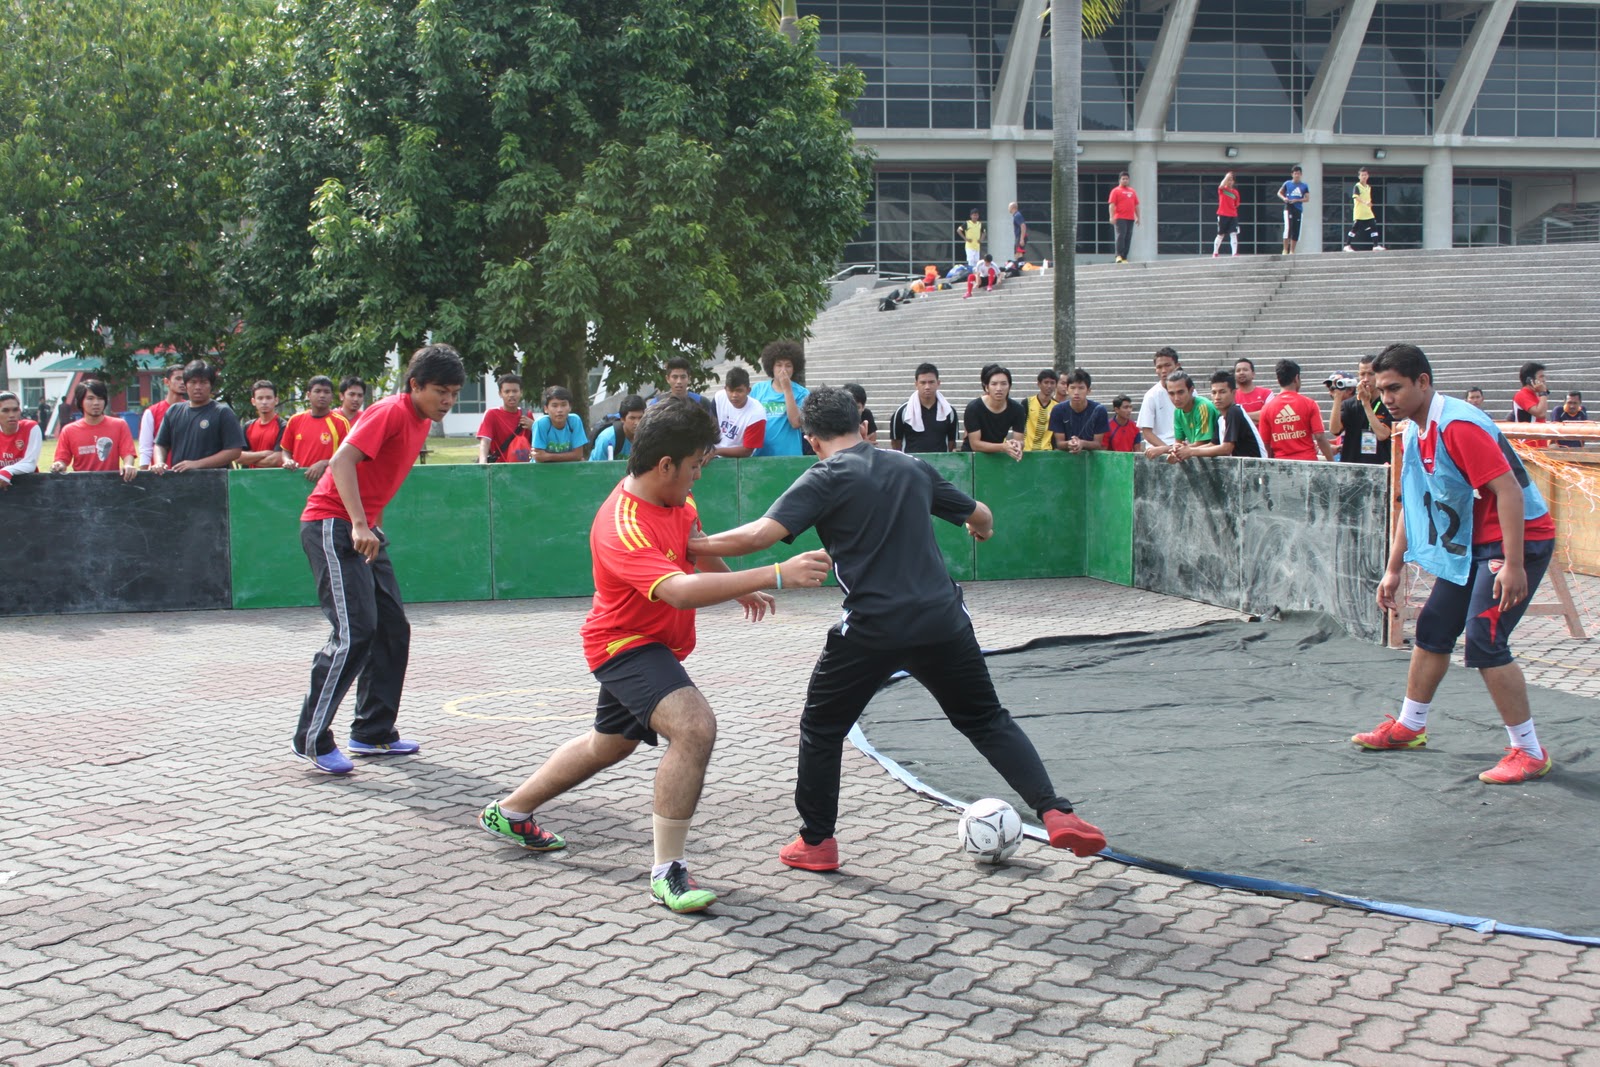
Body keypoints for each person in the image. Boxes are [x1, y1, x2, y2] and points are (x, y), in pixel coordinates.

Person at [689, 387, 1108, 873]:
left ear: (810, 438)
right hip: (943, 621)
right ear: (862, 424)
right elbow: (982, 514)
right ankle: (1056, 811)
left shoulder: (822, 477)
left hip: (873, 628)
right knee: (986, 720)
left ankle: (817, 843)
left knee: (821, 728)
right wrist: (983, 530)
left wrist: (687, 539)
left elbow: (757, 536)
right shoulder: (910, 466)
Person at [480, 399, 831, 913]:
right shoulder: (622, 524)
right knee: (694, 727)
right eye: (694, 467)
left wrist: (735, 589)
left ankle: (509, 811)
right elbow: (681, 592)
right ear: (665, 465)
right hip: (623, 646)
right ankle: (667, 872)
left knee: (609, 744)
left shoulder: (678, 501)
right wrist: (774, 574)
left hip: (653, 642)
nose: (697, 478)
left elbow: (694, 547)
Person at [1360, 343, 1558, 786]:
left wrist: (1512, 563)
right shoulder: (1413, 429)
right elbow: (1415, 504)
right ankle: (1410, 728)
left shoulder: (1458, 425)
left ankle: (1529, 752)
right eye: (1379, 390)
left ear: (1423, 382)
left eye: (1394, 388)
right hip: (1473, 542)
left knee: (1485, 640)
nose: (1386, 399)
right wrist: (1394, 569)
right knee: (1432, 629)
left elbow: (1506, 491)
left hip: (1516, 540)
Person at [293, 344, 466, 776]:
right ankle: (310, 738)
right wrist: (357, 523)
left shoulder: (421, 422)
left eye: (454, 393)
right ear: (415, 385)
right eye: (440, 391)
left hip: (363, 529)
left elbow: (380, 479)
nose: (447, 400)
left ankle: (372, 732)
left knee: (391, 629)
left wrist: (372, 524)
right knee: (354, 633)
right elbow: (342, 460)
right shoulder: (390, 411)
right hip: (332, 525)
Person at [151, 361, 245, 472]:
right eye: (193, 382)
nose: (198, 387)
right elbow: (161, 444)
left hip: (214, 482)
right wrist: (159, 462)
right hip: (179, 481)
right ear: (186, 385)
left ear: (211, 385)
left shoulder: (222, 412)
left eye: (203, 382)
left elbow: (234, 451)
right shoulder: (174, 411)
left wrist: (197, 464)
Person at [51, 380, 137, 478]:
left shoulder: (119, 425)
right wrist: (59, 465)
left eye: (100, 399)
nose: (96, 403)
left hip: (112, 485)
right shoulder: (69, 430)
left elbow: (128, 453)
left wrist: (128, 465)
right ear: (80, 401)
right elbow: (62, 460)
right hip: (81, 487)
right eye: (90, 398)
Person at [1260, 359, 1334, 461]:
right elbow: (1320, 437)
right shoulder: (1309, 404)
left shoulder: (1266, 409)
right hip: (1308, 463)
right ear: (1297, 378)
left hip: (1281, 465)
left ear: (1278, 379)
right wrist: (1331, 462)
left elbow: (1265, 444)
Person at [282, 376, 352, 483]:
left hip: (328, 483)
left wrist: (324, 463)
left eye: (326, 392)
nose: (322, 395)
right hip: (297, 482)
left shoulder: (341, 423)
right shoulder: (295, 420)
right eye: (317, 391)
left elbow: (347, 457)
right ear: (309, 395)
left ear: (332, 396)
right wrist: (288, 461)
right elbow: (286, 451)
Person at [1330, 356, 1394, 465]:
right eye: (1362, 374)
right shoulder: (1349, 404)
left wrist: (1366, 404)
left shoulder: (1389, 402)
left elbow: (1382, 435)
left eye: (1371, 374)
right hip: (1352, 464)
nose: (1365, 379)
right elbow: (1334, 430)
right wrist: (1337, 398)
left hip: (1381, 465)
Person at [751, 341, 810, 457]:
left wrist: (787, 389)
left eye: (788, 365)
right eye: (779, 365)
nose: (783, 370)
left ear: (794, 368)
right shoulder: (758, 389)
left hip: (790, 457)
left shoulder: (802, 393)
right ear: (771, 367)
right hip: (760, 456)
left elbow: (796, 422)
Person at [890, 363, 958, 454]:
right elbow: (896, 443)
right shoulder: (902, 412)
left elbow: (951, 443)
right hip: (911, 465)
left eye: (931, 382)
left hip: (940, 464)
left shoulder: (949, 412)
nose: (927, 387)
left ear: (938, 383)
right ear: (916, 384)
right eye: (923, 383)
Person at [963, 364, 1025, 461]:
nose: (999, 388)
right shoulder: (973, 408)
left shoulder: (1018, 409)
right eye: (994, 384)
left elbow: (1020, 439)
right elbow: (975, 444)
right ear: (986, 387)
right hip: (971, 457)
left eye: (1004, 384)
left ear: (1009, 386)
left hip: (997, 455)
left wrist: (1017, 445)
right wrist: (1003, 447)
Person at [1163, 372, 1222, 464]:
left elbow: (1202, 443)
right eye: (1171, 393)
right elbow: (1178, 443)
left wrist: (1164, 449)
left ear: (1191, 390)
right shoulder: (1178, 411)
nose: (1176, 398)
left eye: (1180, 392)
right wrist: (1175, 449)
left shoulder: (1203, 407)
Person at [1206, 371, 1266, 459]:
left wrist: (1191, 452)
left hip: (1256, 468)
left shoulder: (1234, 411)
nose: (1217, 397)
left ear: (1234, 393)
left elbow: (1226, 448)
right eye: (1214, 393)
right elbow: (1213, 444)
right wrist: (1186, 450)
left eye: (1222, 392)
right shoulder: (1220, 418)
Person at [477, 374, 534, 464]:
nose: (511, 395)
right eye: (507, 391)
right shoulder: (492, 414)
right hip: (499, 468)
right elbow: (485, 442)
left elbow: (536, 442)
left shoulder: (527, 414)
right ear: (500, 393)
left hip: (523, 467)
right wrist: (483, 462)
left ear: (521, 392)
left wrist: (534, 427)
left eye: (515, 391)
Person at [712, 366, 768, 459]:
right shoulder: (719, 398)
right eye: (730, 390)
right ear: (725, 389)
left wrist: (716, 451)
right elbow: (710, 427)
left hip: (742, 460)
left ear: (748, 390)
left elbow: (747, 451)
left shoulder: (757, 414)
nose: (734, 395)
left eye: (739, 391)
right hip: (715, 454)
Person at [138, 365, 186, 467]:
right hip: (162, 472)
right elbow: (146, 448)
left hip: (189, 472)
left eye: (185, 379)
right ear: (166, 382)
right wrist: (144, 474)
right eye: (178, 378)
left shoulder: (192, 409)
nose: (182, 382)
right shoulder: (152, 412)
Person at [1050, 369, 1109, 454]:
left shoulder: (1099, 410)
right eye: (1072, 388)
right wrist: (1069, 444)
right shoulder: (1058, 410)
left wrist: (1082, 443)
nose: (1076, 392)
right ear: (1067, 389)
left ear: (1088, 390)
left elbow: (1098, 444)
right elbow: (1059, 443)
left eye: (1081, 388)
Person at [1137, 348, 1181, 459]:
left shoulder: (1190, 392)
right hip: (1158, 451)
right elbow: (1147, 432)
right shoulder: (1151, 395)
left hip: (1182, 448)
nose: (1164, 370)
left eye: (1167, 365)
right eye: (1159, 367)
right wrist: (1168, 450)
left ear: (1177, 365)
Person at [238, 380, 288, 469]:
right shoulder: (248, 426)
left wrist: (250, 458)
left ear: (276, 400)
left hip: (276, 479)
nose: (264, 402)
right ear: (253, 401)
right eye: (260, 398)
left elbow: (277, 460)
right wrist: (263, 454)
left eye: (268, 398)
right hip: (250, 479)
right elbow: (238, 457)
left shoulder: (284, 426)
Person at [0, 391, 43, 489]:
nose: (12, 415)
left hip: (29, 489)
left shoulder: (31, 427)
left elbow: (30, 464)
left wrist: (7, 471)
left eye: (15, 410)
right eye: (5, 410)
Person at [533, 386, 587, 463]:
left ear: (570, 407)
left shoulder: (574, 421)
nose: (559, 410)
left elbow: (578, 455)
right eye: (554, 406)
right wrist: (571, 456)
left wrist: (548, 456)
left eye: (563, 405)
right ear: (546, 409)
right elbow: (539, 457)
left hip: (568, 470)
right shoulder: (541, 423)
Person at [591, 395, 647, 462]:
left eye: (640, 418)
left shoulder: (648, 438)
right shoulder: (607, 438)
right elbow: (596, 469)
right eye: (632, 418)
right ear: (622, 419)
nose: (637, 423)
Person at [1343, 168, 1384, 252]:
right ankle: (1347, 245)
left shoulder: (1368, 187)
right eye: (1362, 175)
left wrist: (1369, 204)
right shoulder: (1357, 186)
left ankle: (1375, 245)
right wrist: (1365, 202)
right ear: (1359, 177)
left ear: (1368, 176)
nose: (1364, 177)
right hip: (1360, 212)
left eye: (1365, 175)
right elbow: (1356, 196)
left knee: (1373, 226)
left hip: (1368, 212)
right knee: (1355, 228)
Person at [1511, 361, 1550, 449]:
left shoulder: (1536, 396)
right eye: (1541, 377)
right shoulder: (1522, 395)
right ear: (1530, 380)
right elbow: (1540, 413)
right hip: (1527, 445)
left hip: (1539, 444)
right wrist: (1543, 392)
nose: (1544, 380)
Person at [1021, 369, 1058, 453]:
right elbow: (1020, 426)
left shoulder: (1057, 407)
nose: (1049, 386)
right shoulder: (1027, 402)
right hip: (1027, 450)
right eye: (1046, 382)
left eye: (1052, 383)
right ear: (1039, 384)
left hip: (1047, 451)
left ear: (1056, 385)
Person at [1108, 172, 1139, 264]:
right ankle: (1118, 255)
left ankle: (1124, 257)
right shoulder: (1115, 191)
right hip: (1120, 217)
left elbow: (1136, 205)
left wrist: (1138, 217)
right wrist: (1111, 217)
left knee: (1128, 237)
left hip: (1130, 218)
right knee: (1121, 236)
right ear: (1120, 180)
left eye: (1126, 179)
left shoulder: (1132, 191)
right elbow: (1111, 205)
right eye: (1123, 179)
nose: (1125, 180)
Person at [1278, 165, 1310, 255]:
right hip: (1288, 208)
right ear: (1292, 174)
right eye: (1295, 173)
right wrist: (1284, 198)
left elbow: (1307, 198)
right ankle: (1285, 249)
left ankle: (1292, 250)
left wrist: (1297, 200)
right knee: (1288, 228)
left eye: (1298, 174)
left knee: (1296, 230)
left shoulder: (1304, 186)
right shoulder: (1287, 184)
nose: (1297, 175)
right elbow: (1279, 193)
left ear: (1301, 174)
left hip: (1298, 209)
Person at [1233, 358, 1273, 424]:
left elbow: (1269, 415)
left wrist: (1241, 416)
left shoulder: (1266, 393)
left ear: (1253, 374)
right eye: (1238, 370)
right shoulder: (1232, 396)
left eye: (1245, 370)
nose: (1241, 373)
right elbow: (1230, 418)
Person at [1213, 172, 1240, 258]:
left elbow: (1236, 204)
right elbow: (1220, 186)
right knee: (1221, 234)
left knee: (1233, 234)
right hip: (1222, 214)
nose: (1229, 182)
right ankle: (1215, 252)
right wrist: (1226, 176)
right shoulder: (1222, 189)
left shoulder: (1235, 192)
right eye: (1228, 180)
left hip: (1233, 215)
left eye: (1231, 180)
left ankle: (1234, 253)